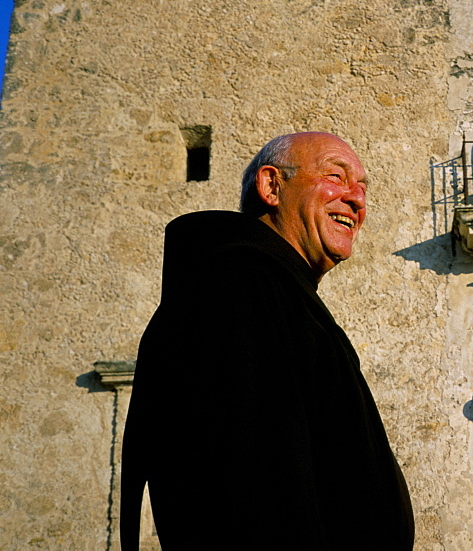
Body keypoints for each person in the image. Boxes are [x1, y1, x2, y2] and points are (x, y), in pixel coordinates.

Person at [120, 132, 414, 549]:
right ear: (272, 186)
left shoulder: (272, 293)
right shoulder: (241, 288)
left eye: (362, 189)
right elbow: (253, 483)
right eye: (336, 176)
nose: (357, 201)